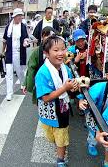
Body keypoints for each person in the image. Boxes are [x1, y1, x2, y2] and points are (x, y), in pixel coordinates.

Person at [35, 35, 79, 167]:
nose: (61, 53)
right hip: (48, 111)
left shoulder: (65, 68)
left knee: (61, 135)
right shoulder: (42, 73)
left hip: (62, 110)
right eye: (56, 50)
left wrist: (74, 88)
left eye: (63, 49)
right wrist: (65, 87)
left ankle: (60, 159)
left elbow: (71, 85)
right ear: (46, 53)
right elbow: (46, 98)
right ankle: (59, 146)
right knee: (51, 136)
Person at [22, 27, 56, 104]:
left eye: (50, 35)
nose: (48, 38)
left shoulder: (57, 50)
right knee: (43, 104)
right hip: (42, 83)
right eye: (46, 35)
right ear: (42, 37)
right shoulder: (36, 51)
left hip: (55, 82)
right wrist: (26, 84)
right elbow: (31, 68)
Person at [2, 8, 29, 101]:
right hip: (9, 52)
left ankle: (23, 83)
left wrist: (26, 42)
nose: (20, 17)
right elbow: (4, 40)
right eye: (19, 16)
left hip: (19, 52)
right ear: (14, 17)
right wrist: (2, 52)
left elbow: (26, 38)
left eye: (21, 16)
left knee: (20, 71)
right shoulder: (8, 27)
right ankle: (9, 93)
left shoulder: (23, 27)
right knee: (9, 74)